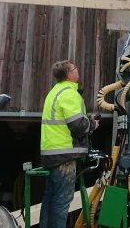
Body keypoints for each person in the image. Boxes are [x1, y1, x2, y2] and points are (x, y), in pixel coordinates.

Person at [40, 60, 99, 228]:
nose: (78, 69)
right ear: (70, 74)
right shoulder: (69, 93)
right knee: (61, 201)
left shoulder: (54, 92)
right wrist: (92, 124)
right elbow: (77, 125)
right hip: (63, 156)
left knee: (50, 198)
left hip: (51, 153)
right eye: (75, 68)